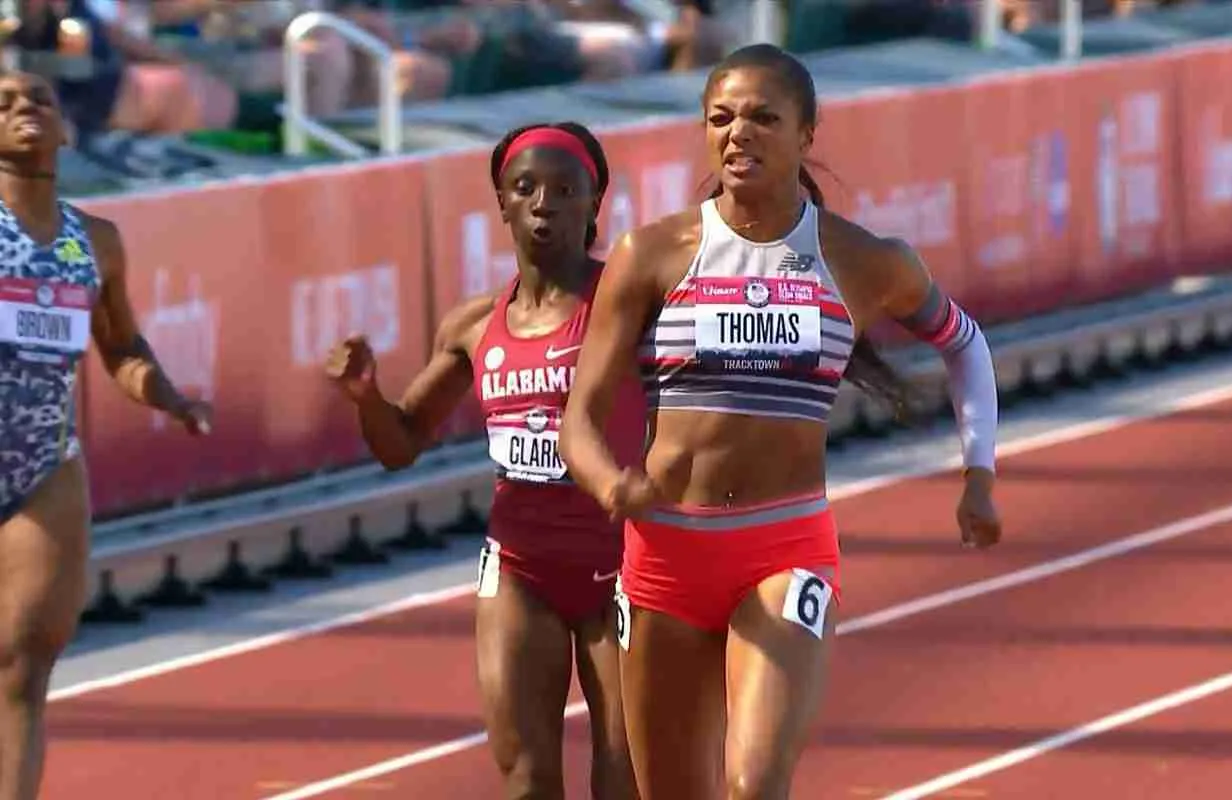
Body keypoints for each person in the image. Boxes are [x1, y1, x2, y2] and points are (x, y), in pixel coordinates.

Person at [558, 43, 1003, 799]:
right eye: (720, 118)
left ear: (806, 134)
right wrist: (609, 485)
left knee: (754, 785)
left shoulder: (863, 260)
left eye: (764, 117)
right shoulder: (652, 254)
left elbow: (964, 343)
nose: (739, 134)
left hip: (782, 550)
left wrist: (978, 474)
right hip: (663, 556)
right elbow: (579, 420)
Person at [325, 121, 643, 800]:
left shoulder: (628, 304)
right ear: (499, 201)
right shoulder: (473, 325)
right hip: (521, 564)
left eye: (565, 189)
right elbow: (401, 443)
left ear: (594, 202)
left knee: (626, 779)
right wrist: (365, 397)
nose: (543, 203)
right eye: (524, 187)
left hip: (625, 562)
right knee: (524, 780)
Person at [0, 71, 212, 800]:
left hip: (42, 466)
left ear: (66, 128)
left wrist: (168, 395)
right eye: (2, 104)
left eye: (39, 100)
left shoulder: (96, 241)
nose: (24, 109)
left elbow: (120, 347)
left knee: (23, 667)